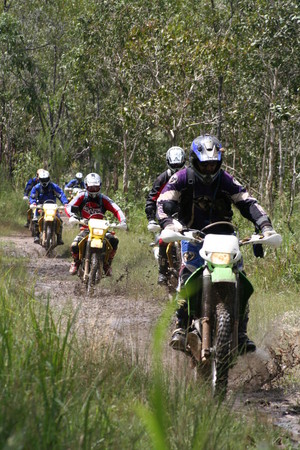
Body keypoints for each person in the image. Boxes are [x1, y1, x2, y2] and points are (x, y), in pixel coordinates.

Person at [157, 134, 278, 353]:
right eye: (205, 165)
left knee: (240, 281)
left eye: (213, 164)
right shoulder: (182, 178)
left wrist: (265, 226)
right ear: (195, 161)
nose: (209, 169)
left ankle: (240, 332)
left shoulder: (226, 180)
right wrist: (168, 222)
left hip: (225, 238)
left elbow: (248, 201)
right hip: (192, 236)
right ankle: (181, 326)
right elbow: (164, 200)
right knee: (186, 278)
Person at [66, 172, 127, 276]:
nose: (93, 190)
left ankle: (107, 264)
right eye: (91, 187)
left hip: (102, 229)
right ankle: (76, 262)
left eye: (96, 187)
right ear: (86, 186)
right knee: (75, 245)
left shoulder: (104, 199)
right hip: (86, 228)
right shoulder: (81, 196)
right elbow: (69, 206)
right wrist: (72, 216)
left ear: (100, 186)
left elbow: (116, 209)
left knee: (114, 240)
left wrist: (122, 221)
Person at [145, 146, 186, 285]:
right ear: (168, 163)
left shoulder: (188, 176)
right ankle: (162, 272)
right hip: (166, 215)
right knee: (163, 240)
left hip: (185, 215)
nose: (177, 169)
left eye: (179, 166)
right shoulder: (162, 178)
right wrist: (151, 218)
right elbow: (151, 198)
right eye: (174, 166)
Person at [29, 170, 69, 244]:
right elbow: (32, 197)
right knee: (35, 219)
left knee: (59, 220)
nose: (44, 181)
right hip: (40, 206)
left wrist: (65, 203)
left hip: (52, 206)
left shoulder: (53, 186)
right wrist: (33, 203)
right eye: (42, 180)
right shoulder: (36, 188)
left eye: (46, 179)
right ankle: (36, 235)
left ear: (49, 178)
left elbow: (61, 194)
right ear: (39, 180)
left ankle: (59, 237)